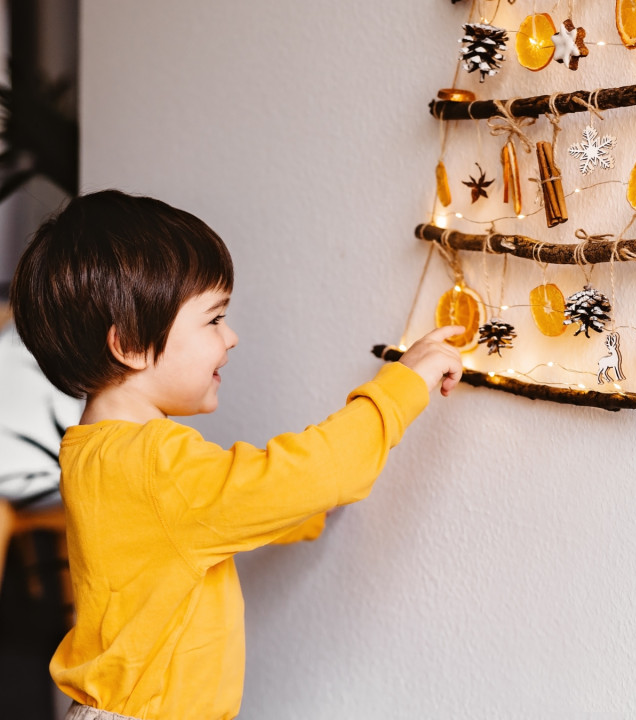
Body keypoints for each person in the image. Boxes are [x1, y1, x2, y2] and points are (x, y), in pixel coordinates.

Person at [9, 189, 463, 720]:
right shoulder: (156, 464)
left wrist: (306, 513)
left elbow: (218, 510)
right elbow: (311, 475)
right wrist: (403, 385)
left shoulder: (96, 452)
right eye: (213, 319)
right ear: (129, 343)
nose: (232, 337)